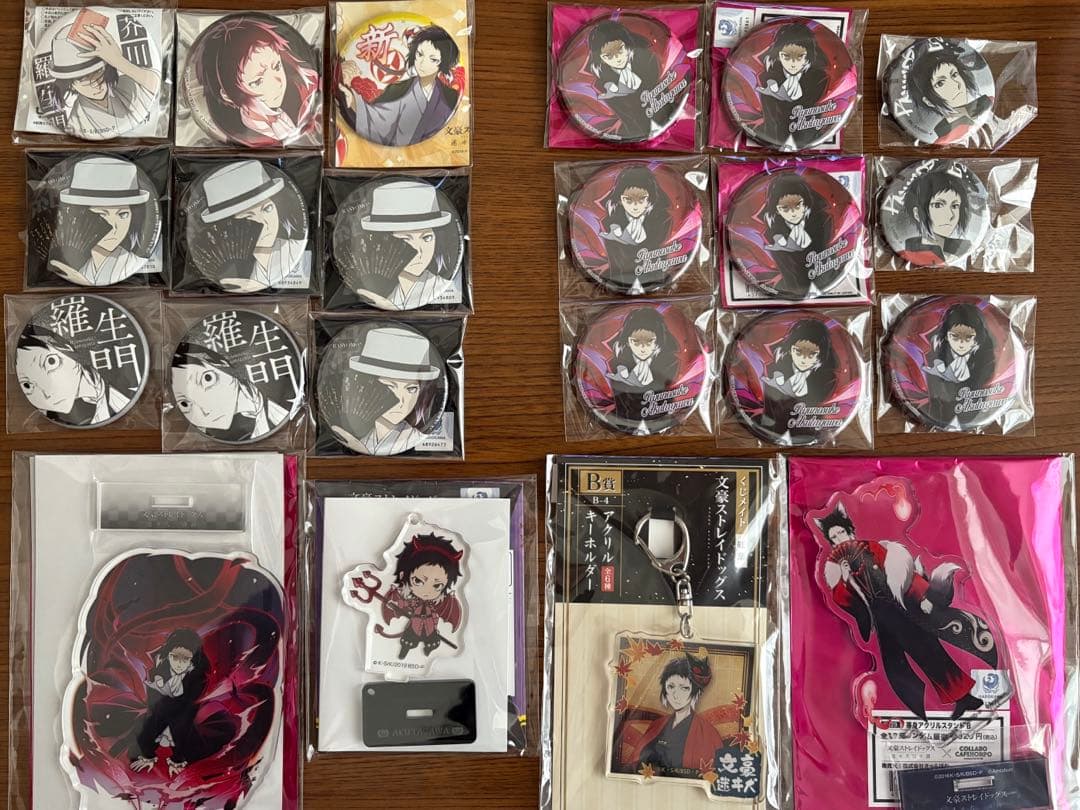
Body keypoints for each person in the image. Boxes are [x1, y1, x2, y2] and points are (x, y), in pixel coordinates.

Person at [816, 502, 998, 720]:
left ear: (850, 531)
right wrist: (845, 579)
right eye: (834, 537)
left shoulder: (874, 550)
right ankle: (918, 705)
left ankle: (964, 697)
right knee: (895, 665)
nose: (840, 539)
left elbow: (904, 576)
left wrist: (923, 597)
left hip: (901, 609)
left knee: (930, 651)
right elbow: (846, 601)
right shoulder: (839, 566)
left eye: (841, 533)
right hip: (881, 620)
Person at [194, 15, 319, 146]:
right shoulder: (241, 132)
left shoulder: (304, 91)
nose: (278, 82)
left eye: (276, 66)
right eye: (258, 81)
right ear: (227, 96)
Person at [129, 629, 236, 777]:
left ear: (192, 660)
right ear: (169, 655)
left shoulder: (198, 679)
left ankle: (179, 755)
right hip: (160, 719)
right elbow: (154, 708)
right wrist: (147, 754)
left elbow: (186, 715)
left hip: (183, 722)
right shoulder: (160, 672)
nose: (178, 663)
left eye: (184, 659)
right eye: (175, 657)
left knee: (185, 727)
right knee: (148, 722)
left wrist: (178, 759)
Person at [339, 25, 461, 146]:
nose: (422, 63)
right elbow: (379, 119)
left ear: (443, 63)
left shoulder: (451, 96)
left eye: (433, 59)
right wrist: (353, 101)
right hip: (396, 153)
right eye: (420, 54)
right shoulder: (399, 89)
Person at [330, 326, 443, 455]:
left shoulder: (415, 438)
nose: (400, 400)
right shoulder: (356, 433)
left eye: (411, 389)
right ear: (365, 387)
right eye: (389, 387)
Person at [196, 161, 307, 291]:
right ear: (229, 228)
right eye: (248, 217)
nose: (263, 223)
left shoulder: (296, 250)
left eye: (267, 209)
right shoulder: (228, 268)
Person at [354, 180, 459, 310]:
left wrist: (390, 306)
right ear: (381, 244)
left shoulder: (442, 287)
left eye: (427, 238)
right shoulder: (371, 287)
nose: (419, 251)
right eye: (405, 240)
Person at [49, 156, 153, 286]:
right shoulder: (78, 265)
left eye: (123, 214)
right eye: (101, 215)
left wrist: (84, 281)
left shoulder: (135, 264)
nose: (114, 227)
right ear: (79, 217)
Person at [50, 20, 159, 137]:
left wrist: (120, 61)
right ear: (70, 85)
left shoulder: (128, 84)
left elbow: (156, 85)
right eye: (82, 79)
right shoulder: (76, 123)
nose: (95, 83)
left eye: (98, 71)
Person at [623, 653, 725, 777]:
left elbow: (714, 775)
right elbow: (636, 762)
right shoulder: (657, 724)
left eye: (684, 688)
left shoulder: (708, 733)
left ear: (695, 691)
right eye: (671, 687)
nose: (676, 695)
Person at [17, 322, 135, 426]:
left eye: (50, 362)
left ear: (69, 350)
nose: (47, 393)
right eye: (27, 385)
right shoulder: (49, 417)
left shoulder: (122, 391)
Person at [171, 343, 293, 442]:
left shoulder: (280, 407)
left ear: (224, 365)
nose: (205, 408)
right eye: (184, 404)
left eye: (207, 379)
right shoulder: (202, 440)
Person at [376, 533, 464, 659]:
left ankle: (428, 650)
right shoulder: (413, 601)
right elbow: (405, 604)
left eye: (437, 585)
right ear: (403, 575)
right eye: (418, 581)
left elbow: (439, 610)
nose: (427, 591)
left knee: (432, 642)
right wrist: (395, 604)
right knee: (408, 641)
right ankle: (404, 651)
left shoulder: (439, 604)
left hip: (430, 628)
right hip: (414, 626)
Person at [586, 20, 664, 141]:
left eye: (620, 50)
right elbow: (626, 117)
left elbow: (661, 92)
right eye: (608, 56)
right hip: (637, 132)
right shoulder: (602, 85)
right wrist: (640, 137)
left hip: (664, 113)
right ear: (600, 58)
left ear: (627, 44)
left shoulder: (648, 59)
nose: (617, 58)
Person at [760, 318, 837, 439]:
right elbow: (768, 411)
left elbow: (820, 410)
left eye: (811, 355)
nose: (803, 360)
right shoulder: (772, 371)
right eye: (798, 352)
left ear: (820, 355)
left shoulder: (827, 380)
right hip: (771, 431)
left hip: (810, 432)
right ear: (790, 349)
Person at [921, 302, 995, 428]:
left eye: (968, 338)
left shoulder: (985, 360)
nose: (961, 344)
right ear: (946, 336)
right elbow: (932, 395)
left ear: (976, 339)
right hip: (940, 413)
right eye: (955, 337)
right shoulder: (933, 358)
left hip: (971, 413)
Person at [599, 165, 672, 291]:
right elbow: (613, 259)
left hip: (655, 277)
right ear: (620, 199)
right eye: (628, 200)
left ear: (650, 199)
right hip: (619, 281)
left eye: (641, 200)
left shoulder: (663, 221)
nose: (635, 206)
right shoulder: (608, 223)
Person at [756, 22, 827, 148]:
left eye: (799, 57)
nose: (793, 63)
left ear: (808, 56)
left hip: (808, 136)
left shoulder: (819, 79)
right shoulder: (766, 78)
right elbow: (769, 117)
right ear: (778, 54)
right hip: (772, 137)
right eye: (786, 57)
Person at [760, 174, 832, 297]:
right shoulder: (772, 233)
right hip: (789, 289)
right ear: (777, 210)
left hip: (823, 280)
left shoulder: (823, 222)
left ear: (805, 204)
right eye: (785, 208)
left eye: (798, 205)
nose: (793, 213)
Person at [906, 42, 993, 143]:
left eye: (954, 74)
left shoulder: (988, 103)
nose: (956, 84)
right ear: (928, 101)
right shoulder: (940, 139)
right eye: (940, 83)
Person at [606, 307, 679, 425]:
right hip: (622, 420)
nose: (642, 348)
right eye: (636, 342)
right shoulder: (615, 364)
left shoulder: (670, 363)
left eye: (649, 342)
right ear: (627, 341)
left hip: (661, 417)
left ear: (658, 341)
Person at [903, 170, 973, 266]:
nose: (950, 215)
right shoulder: (908, 252)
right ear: (917, 214)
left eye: (955, 206)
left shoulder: (966, 249)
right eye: (938, 205)